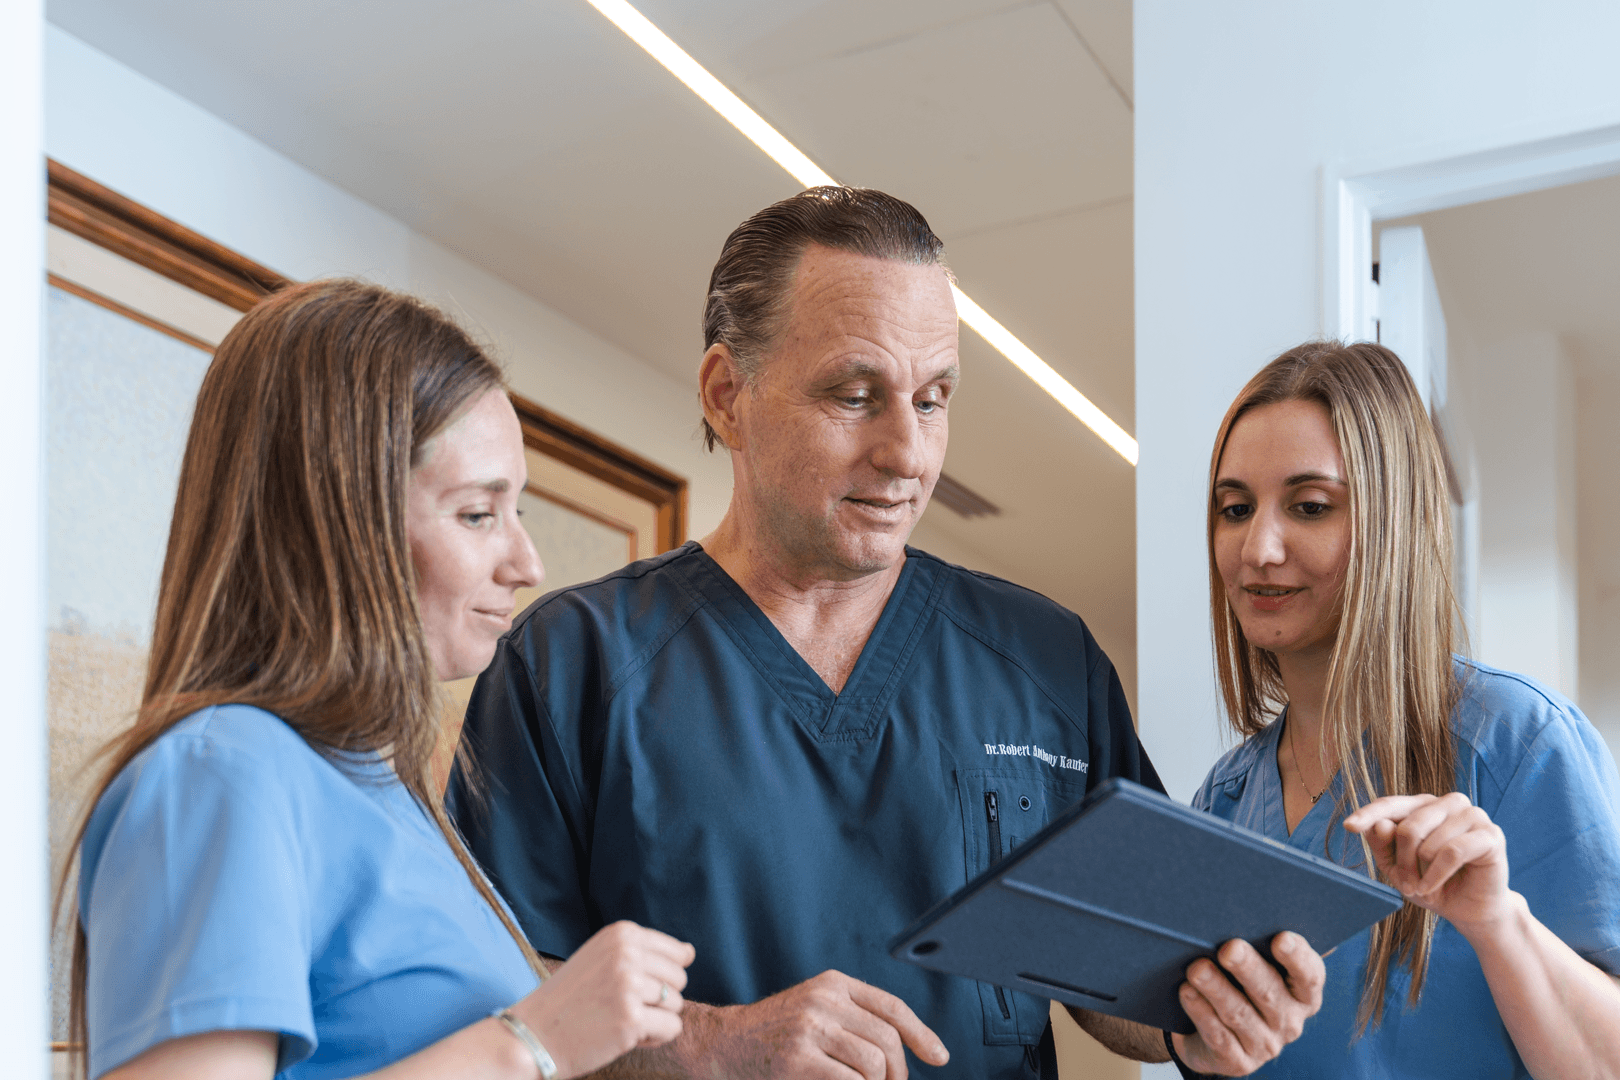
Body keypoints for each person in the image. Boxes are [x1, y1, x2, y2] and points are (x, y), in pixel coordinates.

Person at [449, 186, 1323, 1080]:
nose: (908, 452)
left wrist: (1203, 1021)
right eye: (856, 395)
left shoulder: (1046, 662)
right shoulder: (572, 666)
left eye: (934, 398)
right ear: (726, 396)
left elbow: (1134, 986)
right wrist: (715, 1045)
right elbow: (491, 998)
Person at [58, 280, 695, 1080]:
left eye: (518, 511)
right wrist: (529, 1042)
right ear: (339, 519)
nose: (527, 564)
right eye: (476, 514)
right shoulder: (221, 773)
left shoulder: (392, 797)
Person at [1193, 339, 1620, 1078]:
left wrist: (1497, 924)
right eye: (1236, 509)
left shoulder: (1515, 743)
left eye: (1311, 506)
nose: (1257, 548)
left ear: (1392, 522)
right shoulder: (1225, 799)